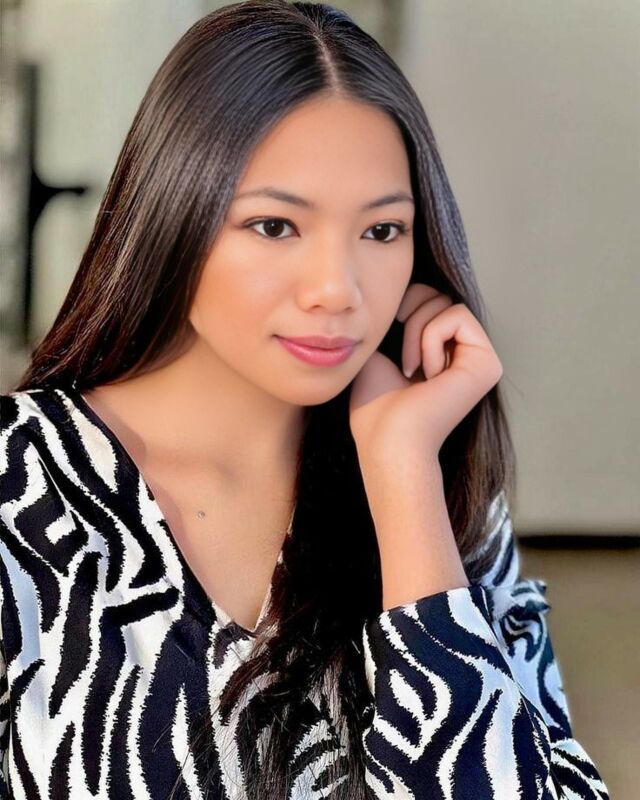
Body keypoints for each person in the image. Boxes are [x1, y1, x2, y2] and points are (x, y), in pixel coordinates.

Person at [0, 2, 609, 798]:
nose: (337, 290)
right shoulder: (20, 484)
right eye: (275, 225)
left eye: (382, 232)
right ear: (174, 213)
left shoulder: (443, 494)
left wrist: (402, 475)